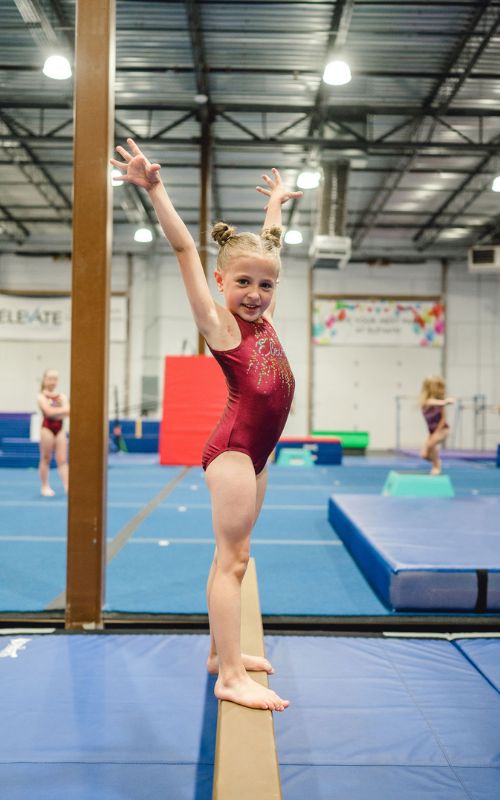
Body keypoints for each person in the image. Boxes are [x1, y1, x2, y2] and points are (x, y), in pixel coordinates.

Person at [111, 138, 302, 711]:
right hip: (234, 452)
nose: (255, 294)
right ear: (221, 283)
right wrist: (156, 188)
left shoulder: (265, 322)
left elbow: (268, 250)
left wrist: (275, 211)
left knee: (231, 557)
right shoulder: (222, 328)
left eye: (265, 285)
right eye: (242, 283)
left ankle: (224, 653)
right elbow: (186, 249)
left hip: (259, 454)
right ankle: (229, 677)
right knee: (233, 559)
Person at [37, 369, 70, 496]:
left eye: (55, 379)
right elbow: (48, 412)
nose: (52, 382)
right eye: (50, 379)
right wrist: (61, 411)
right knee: (46, 458)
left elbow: (68, 411)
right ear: (44, 380)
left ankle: (67, 485)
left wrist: (57, 411)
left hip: (60, 429)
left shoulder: (62, 396)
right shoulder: (41, 396)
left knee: (62, 460)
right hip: (47, 429)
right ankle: (45, 486)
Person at [419, 375, 455, 475]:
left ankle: (436, 467)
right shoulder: (425, 401)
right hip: (432, 431)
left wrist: (437, 432)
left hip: (443, 430)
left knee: (432, 444)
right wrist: (444, 402)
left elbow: (443, 418)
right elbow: (431, 402)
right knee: (424, 455)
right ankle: (437, 461)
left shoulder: (440, 404)